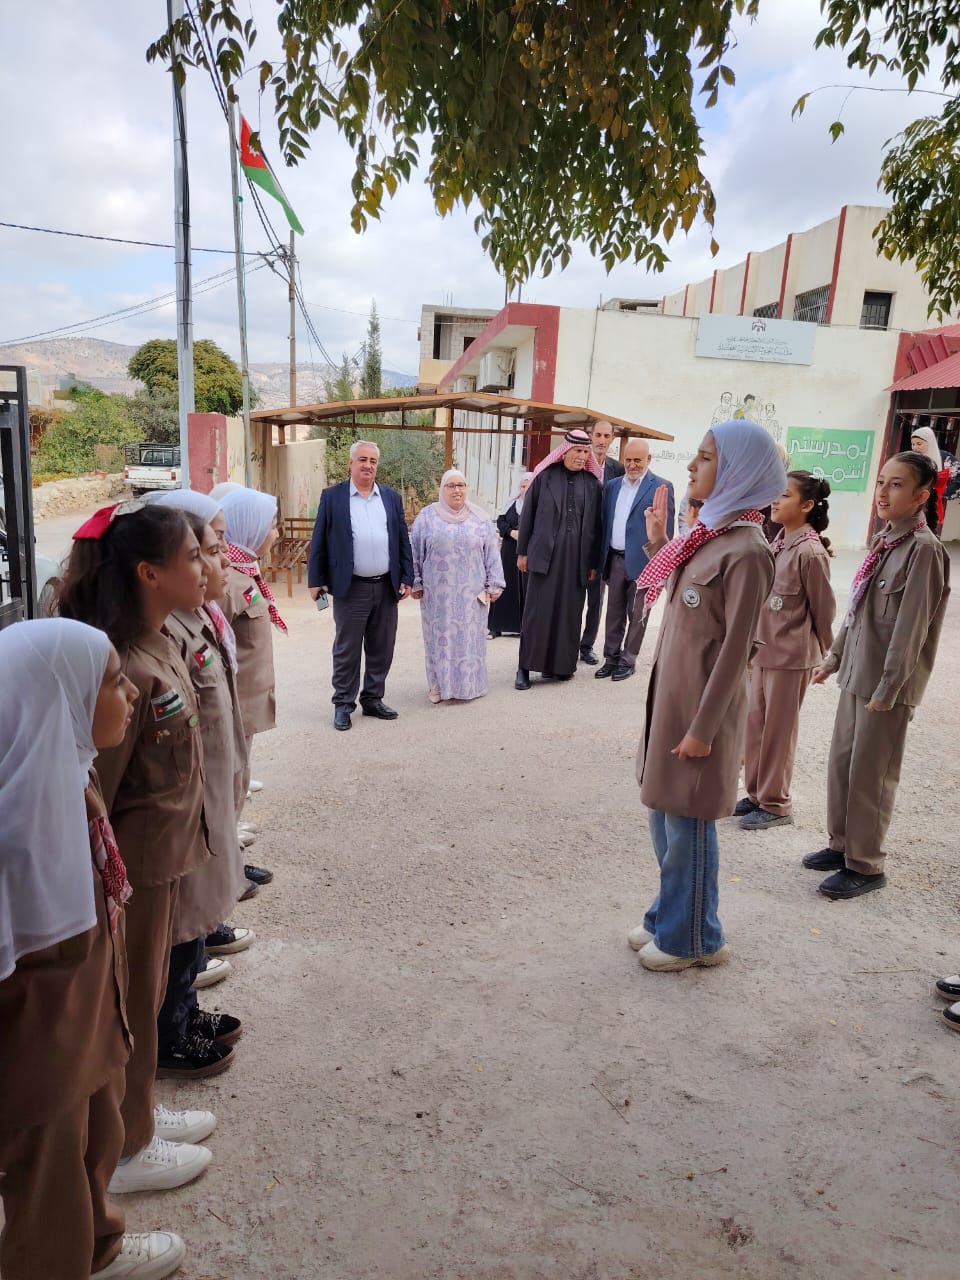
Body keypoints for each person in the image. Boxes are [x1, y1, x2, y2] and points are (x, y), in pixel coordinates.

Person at [0, 619, 186, 1280]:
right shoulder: (16, 825)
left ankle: (99, 1245)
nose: (130, 694)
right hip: (41, 1047)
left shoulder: (72, 775)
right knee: (47, 1177)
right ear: (56, 700)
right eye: (111, 684)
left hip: (87, 1022)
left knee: (96, 1134)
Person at [57, 502, 217, 1193]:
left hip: (167, 858)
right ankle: (125, 1149)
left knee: (147, 1000)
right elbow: (99, 787)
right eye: (193, 556)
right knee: (131, 1007)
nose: (206, 567)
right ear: (150, 573)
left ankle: (139, 1113)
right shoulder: (120, 661)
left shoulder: (161, 640)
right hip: (135, 871)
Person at [628, 419, 786, 970]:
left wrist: (703, 729)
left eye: (706, 457)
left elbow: (736, 649)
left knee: (688, 823)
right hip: (673, 701)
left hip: (701, 712)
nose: (692, 466)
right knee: (663, 814)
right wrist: (657, 542)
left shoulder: (747, 551)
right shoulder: (709, 534)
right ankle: (669, 915)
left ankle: (694, 938)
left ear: (738, 471)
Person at [803, 451, 950, 899]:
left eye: (897, 484)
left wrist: (889, 688)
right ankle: (842, 845)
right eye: (882, 481)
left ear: (921, 496)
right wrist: (833, 659)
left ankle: (866, 865)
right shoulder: (885, 541)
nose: (883, 492)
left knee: (871, 774)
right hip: (857, 673)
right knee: (842, 765)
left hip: (887, 685)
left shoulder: (924, 550)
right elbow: (857, 610)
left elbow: (910, 629)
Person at [155, 502, 248, 1080]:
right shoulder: (167, 632)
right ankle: (171, 1033)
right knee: (181, 925)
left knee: (194, 925)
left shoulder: (198, 618)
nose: (220, 561)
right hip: (188, 809)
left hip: (210, 801)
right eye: (208, 552)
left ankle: (184, 1012)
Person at [737, 472, 836, 831]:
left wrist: (824, 657)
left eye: (785, 495)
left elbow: (824, 610)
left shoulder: (810, 551)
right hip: (764, 652)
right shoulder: (778, 541)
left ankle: (776, 803)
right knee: (755, 726)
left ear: (806, 505)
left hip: (791, 658)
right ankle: (756, 795)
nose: (776, 501)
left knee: (778, 732)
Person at [307, 439, 414, 730]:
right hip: (350, 588)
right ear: (351, 463)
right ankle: (343, 704)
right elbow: (319, 539)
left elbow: (402, 539)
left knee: (382, 647)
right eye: (363, 460)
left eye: (373, 461)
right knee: (347, 649)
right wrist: (315, 580)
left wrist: (407, 577)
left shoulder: (390, 497)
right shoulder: (333, 497)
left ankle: (373, 699)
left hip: (386, 587)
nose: (368, 465)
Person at [515, 428, 603, 690]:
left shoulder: (592, 484)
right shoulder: (545, 477)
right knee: (537, 613)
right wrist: (522, 552)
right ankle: (524, 668)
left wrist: (593, 564)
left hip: (577, 561)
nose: (582, 456)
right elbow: (528, 515)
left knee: (569, 614)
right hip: (545, 557)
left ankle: (561, 667)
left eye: (586, 451)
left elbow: (597, 527)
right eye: (578, 451)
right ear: (565, 451)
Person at [410, 470, 505, 702]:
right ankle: (438, 686)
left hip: (472, 595)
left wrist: (495, 583)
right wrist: (415, 581)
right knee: (439, 641)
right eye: (451, 485)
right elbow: (415, 551)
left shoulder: (480, 518)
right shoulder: (427, 517)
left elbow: (492, 553)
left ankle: (470, 686)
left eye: (461, 485)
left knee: (470, 641)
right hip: (437, 595)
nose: (457, 490)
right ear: (442, 489)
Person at [219, 487, 284, 824]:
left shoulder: (245, 571)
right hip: (234, 698)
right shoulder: (228, 582)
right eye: (270, 526)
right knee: (229, 772)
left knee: (240, 768)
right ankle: (227, 844)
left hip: (246, 697)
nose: (275, 533)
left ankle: (231, 832)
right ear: (250, 529)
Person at [595, 438, 675, 683]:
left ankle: (628, 660)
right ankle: (611, 658)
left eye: (637, 460)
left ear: (648, 459)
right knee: (614, 612)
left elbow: (667, 530)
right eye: (628, 460)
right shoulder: (612, 486)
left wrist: (660, 565)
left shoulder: (662, 487)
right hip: (615, 559)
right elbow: (605, 522)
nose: (632, 465)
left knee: (639, 614)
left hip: (645, 563)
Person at [579, 420, 624, 664]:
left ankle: (586, 646)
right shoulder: (580, 462)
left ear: (612, 439)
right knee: (573, 599)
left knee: (596, 601)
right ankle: (567, 643)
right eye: (598, 435)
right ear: (591, 436)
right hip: (577, 544)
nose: (602, 440)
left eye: (607, 436)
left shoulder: (618, 469)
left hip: (603, 545)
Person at [488, 473, 532, 638]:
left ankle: (523, 628)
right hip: (509, 551)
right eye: (523, 486)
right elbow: (501, 521)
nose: (525, 490)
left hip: (528, 552)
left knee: (526, 589)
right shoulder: (511, 504)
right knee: (504, 585)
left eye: (529, 486)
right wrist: (511, 532)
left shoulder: (538, 505)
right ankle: (495, 627)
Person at [910, 426, 954, 531]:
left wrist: (945, 492)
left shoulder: (942, 459)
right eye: (913, 444)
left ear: (929, 443)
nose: (915, 447)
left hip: (928, 507)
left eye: (919, 444)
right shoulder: (912, 460)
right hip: (912, 504)